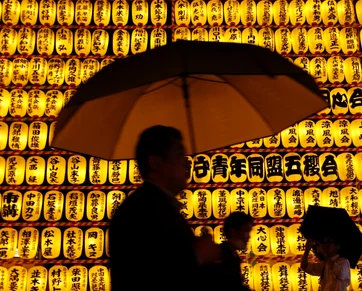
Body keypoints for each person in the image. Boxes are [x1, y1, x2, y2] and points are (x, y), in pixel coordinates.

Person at [109, 125, 220, 291]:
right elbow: (148, 276)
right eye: (179, 154)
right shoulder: (140, 211)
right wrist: (197, 256)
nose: (186, 162)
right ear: (155, 162)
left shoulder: (160, 206)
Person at [199, 212, 254, 291]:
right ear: (233, 232)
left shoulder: (233, 255)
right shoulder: (219, 256)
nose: (249, 237)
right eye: (246, 231)